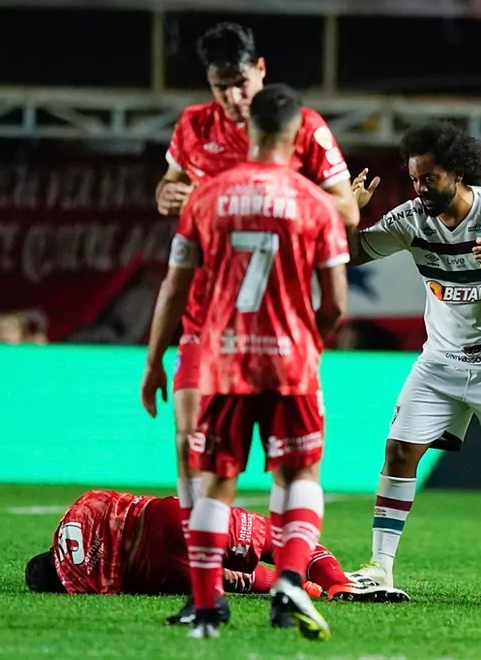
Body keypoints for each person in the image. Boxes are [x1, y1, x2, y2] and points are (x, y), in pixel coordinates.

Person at [141, 84, 351, 640]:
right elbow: (336, 302)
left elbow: (176, 284)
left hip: (223, 360)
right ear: (297, 134)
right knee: (298, 474)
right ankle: (290, 580)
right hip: (290, 361)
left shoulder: (206, 197)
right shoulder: (317, 204)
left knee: (216, 479)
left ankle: (207, 605)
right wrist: (310, 340)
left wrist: (154, 358)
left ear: (249, 129)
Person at [345, 121, 481, 603]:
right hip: (441, 361)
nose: (421, 189)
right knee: (399, 451)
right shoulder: (411, 219)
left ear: (458, 173)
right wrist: (345, 214)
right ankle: (379, 568)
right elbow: (351, 254)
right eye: (415, 179)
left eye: (430, 178)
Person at [24, 489, 407, 607]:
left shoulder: (75, 583)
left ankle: (311, 591)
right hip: (166, 518)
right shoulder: (76, 512)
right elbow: (116, 499)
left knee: (246, 580)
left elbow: (115, 586)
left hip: (159, 570)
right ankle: (338, 583)